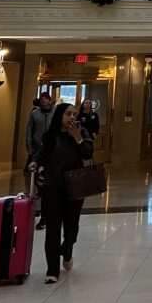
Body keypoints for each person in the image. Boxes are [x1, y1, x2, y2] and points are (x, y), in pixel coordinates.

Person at [32, 102, 93, 284]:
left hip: (74, 187)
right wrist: (35, 162)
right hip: (53, 187)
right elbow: (41, 154)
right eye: (68, 114)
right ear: (59, 116)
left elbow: (87, 154)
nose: (72, 117)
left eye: (74, 114)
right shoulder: (50, 136)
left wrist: (78, 138)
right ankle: (52, 270)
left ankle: (67, 250)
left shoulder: (81, 133)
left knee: (71, 227)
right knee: (52, 229)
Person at [25, 92, 54, 229]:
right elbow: (29, 129)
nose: (44, 102)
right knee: (39, 177)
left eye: (46, 99)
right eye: (42, 100)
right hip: (38, 149)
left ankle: (47, 215)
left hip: (52, 151)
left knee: (48, 183)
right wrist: (29, 146)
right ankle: (40, 189)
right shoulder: (34, 114)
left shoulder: (55, 113)